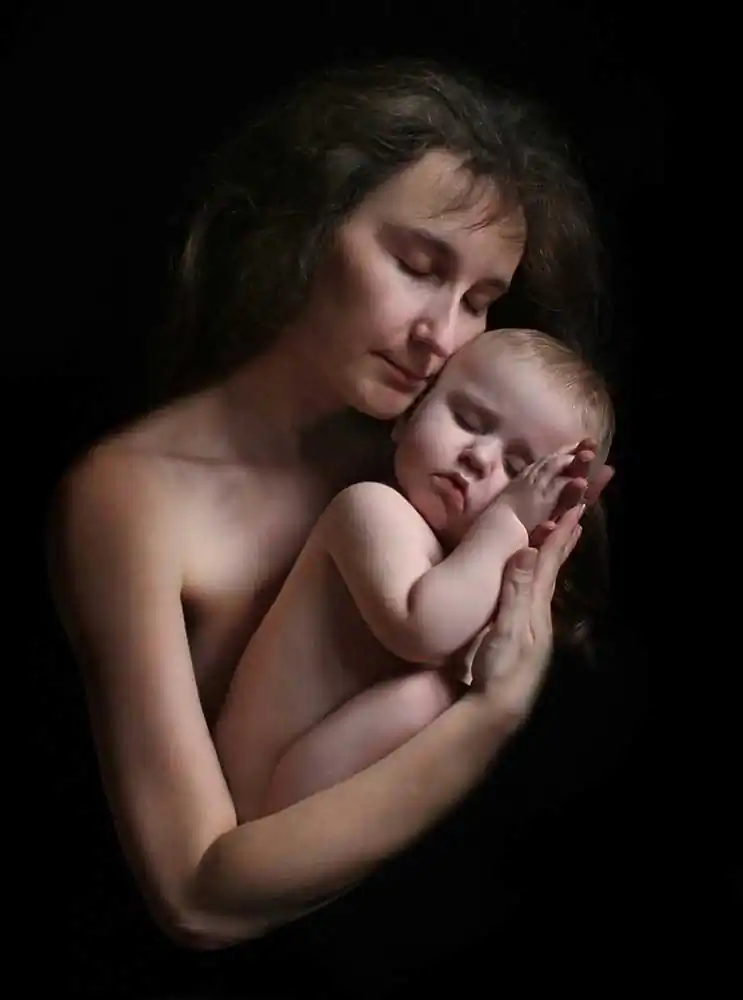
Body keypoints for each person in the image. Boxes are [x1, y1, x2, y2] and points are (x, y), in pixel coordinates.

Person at [45, 58, 614, 953]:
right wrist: (492, 715)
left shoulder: (446, 461)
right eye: (416, 266)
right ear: (301, 227)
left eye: (479, 302)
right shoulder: (131, 498)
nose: (441, 337)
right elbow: (196, 901)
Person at [215, 326, 614, 822]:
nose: (478, 457)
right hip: (254, 786)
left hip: (321, 798)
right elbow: (423, 629)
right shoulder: (370, 509)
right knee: (429, 696)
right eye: (468, 420)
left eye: (519, 470)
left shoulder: (475, 564)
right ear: (408, 415)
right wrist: (508, 517)